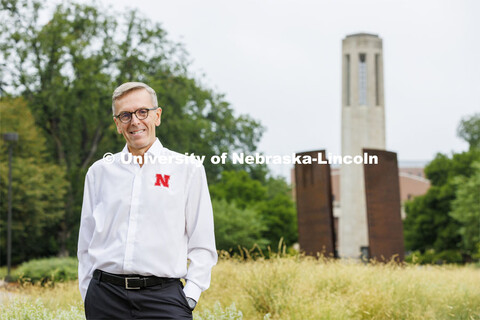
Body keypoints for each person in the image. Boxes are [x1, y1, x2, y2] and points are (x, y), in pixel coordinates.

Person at [77, 82, 217, 319]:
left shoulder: (188, 170)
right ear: (117, 124)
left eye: (143, 112)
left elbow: (202, 243)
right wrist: (88, 294)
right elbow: (86, 244)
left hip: (164, 299)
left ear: (157, 116)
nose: (135, 121)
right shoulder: (99, 172)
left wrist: (191, 294)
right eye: (125, 115)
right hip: (105, 299)